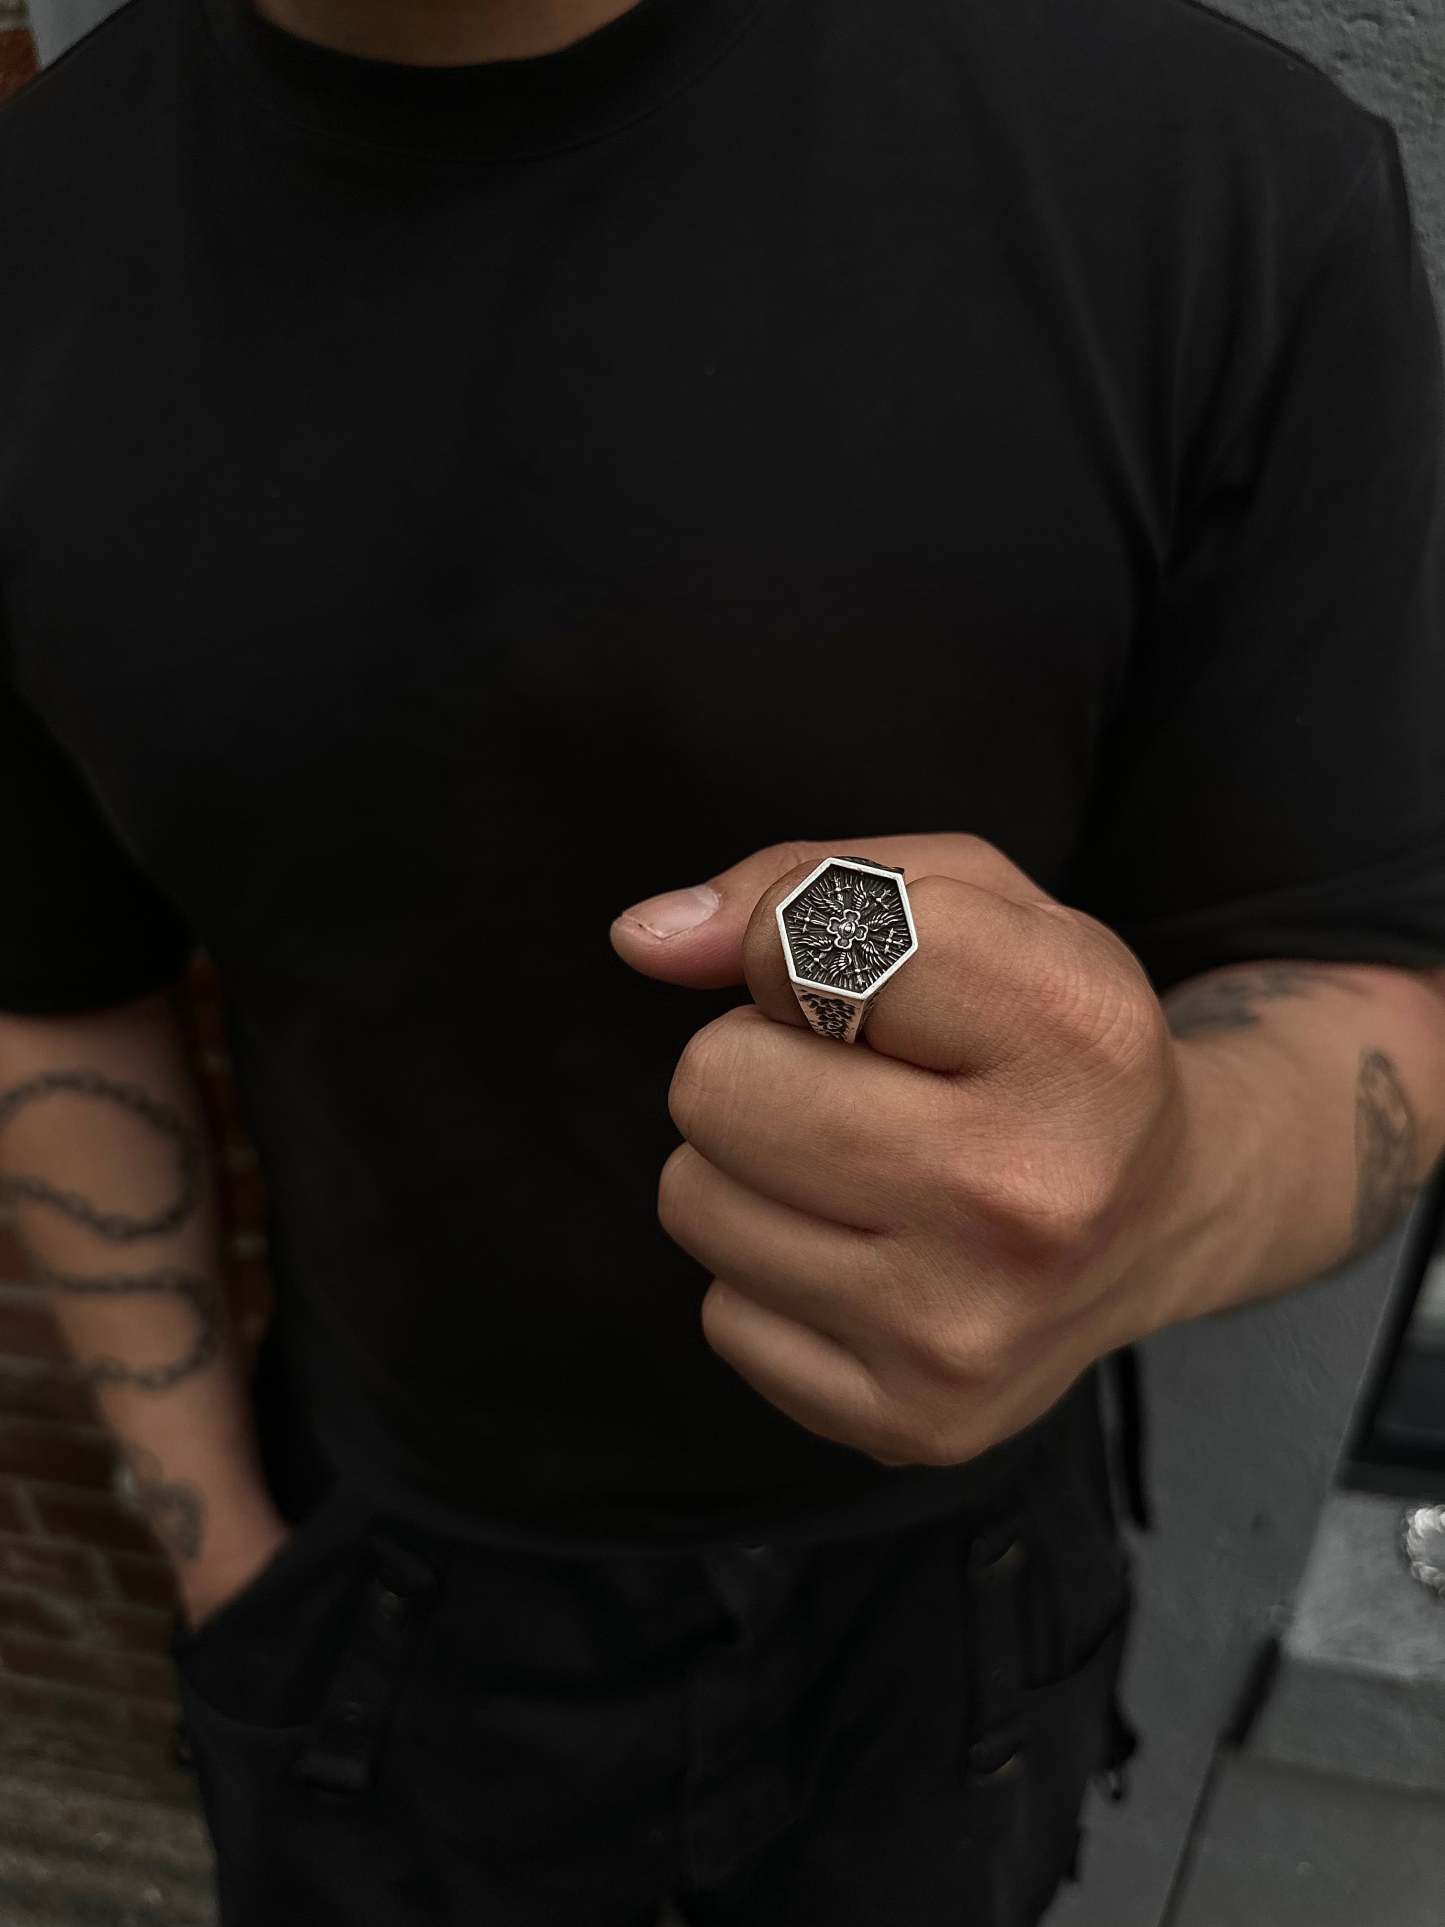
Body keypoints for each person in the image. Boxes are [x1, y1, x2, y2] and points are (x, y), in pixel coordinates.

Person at [1, 0, 1442, 1921]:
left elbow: (1368, 979)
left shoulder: (1210, 178)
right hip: (378, 1586)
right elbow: (53, 980)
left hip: (952, 1601)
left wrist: (1161, 1189)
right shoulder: (38, 246)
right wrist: (220, 1552)